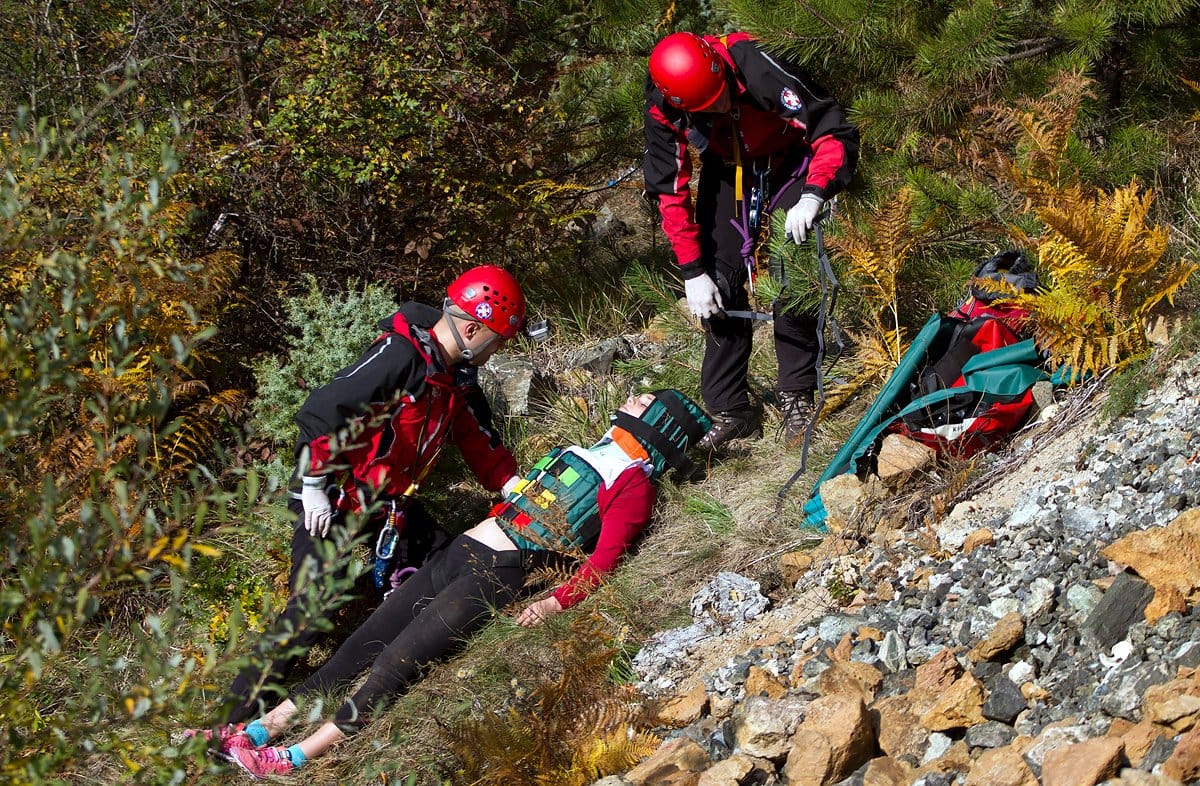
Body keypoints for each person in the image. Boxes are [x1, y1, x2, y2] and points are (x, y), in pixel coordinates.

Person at [186, 389, 711, 778]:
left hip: (498, 574)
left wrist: (555, 602)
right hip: (461, 550)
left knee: (394, 665)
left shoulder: (633, 483)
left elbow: (604, 562)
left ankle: (294, 757)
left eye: (644, 399)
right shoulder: (586, 452)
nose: (631, 398)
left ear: (658, 421)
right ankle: (261, 729)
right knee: (356, 648)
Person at [222, 265, 528, 724]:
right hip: (334, 498)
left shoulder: (453, 375)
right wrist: (312, 487)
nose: (497, 349)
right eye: (497, 340)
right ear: (471, 328)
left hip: (389, 504)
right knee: (310, 608)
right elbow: (324, 409)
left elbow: (473, 435)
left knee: (450, 563)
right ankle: (226, 722)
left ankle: (404, 646)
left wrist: (508, 483)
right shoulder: (399, 356)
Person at [643, 31, 860, 449]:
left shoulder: (756, 62)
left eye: (723, 95)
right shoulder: (662, 106)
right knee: (718, 280)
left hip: (791, 160)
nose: (722, 106)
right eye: (709, 108)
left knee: (788, 268)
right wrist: (692, 271)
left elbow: (831, 127)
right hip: (728, 169)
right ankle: (731, 409)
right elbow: (670, 189)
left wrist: (815, 193)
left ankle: (796, 391)